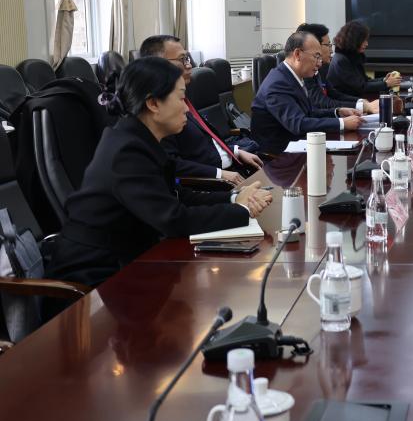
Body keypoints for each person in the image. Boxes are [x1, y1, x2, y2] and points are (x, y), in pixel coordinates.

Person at [47, 57, 272, 287]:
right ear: (153, 103)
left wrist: (234, 197)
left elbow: (177, 195)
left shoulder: (141, 139)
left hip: (131, 261)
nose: (187, 108)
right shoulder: (127, 151)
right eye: (181, 98)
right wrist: (243, 210)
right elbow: (173, 220)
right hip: (96, 277)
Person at [140, 34, 263, 187]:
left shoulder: (183, 98)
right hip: (213, 183)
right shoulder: (160, 110)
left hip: (233, 168)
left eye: (188, 58)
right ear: (158, 64)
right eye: (182, 59)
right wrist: (220, 175)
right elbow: (171, 164)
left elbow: (206, 144)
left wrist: (236, 151)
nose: (189, 65)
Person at [251, 31, 364, 153]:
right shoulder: (277, 84)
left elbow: (309, 113)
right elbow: (298, 123)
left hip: (297, 145)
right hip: (278, 156)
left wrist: (337, 112)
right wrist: (342, 123)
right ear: (298, 54)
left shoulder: (290, 77)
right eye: (316, 56)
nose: (319, 63)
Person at [295, 23, 381, 114]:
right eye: (328, 45)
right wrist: (362, 106)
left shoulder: (322, 68)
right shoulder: (304, 73)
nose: (331, 50)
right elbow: (321, 103)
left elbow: (334, 94)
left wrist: (360, 102)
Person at [327, 21, 401, 99]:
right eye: (364, 40)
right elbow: (361, 87)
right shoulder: (341, 60)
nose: (367, 44)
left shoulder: (351, 56)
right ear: (354, 40)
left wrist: (384, 80)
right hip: (345, 103)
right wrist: (386, 84)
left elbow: (365, 81)